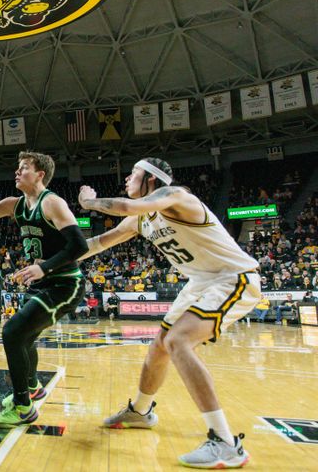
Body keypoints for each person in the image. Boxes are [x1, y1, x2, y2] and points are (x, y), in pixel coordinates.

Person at [77, 157, 261, 468]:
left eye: (133, 174)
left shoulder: (176, 197)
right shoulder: (142, 217)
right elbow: (99, 243)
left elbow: (123, 206)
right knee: (159, 346)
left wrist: (89, 201)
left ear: (151, 179)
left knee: (178, 341)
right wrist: (50, 263)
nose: (126, 180)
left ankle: (226, 443)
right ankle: (140, 411)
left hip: (233, 277)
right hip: (201, 281)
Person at [0, 151, 88, 428]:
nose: (17, 172)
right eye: (17, 167)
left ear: (40, 174)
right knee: (25, 337)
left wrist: (44, 267)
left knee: (12, 332)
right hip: (42, 283)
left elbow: (79, 246)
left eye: (23, 168)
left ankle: (24, 406)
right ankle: (33, 388)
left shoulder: (53, 203)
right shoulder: (17, 204)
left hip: (65, 284)